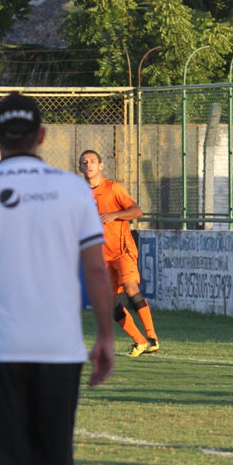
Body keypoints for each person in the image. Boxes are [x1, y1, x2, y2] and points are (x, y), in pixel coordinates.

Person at [0, 92, 115, 465]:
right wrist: (106, 336)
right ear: (41, 135)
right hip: (59, 350)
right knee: (53, 462)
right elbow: (96, 270)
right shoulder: (74, 190)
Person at [78, 149, 160, 357]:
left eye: (92, 161)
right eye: (84, 162)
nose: (88, 164)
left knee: (131, 287)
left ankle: (152, 336)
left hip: (122, 250)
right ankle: (139, 341)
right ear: (80, 167)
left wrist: (114, 215)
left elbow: (137, 211)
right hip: (101, 255)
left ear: (101, 166)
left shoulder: (113, 188)